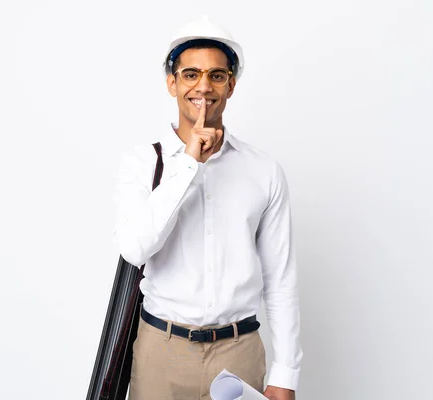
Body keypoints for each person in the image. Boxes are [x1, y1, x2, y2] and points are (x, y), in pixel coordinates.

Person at [112, 16, 303, 400]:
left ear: (231, 84)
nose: (203, 86)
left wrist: (287, 374)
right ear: (172, 83)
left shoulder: (263, 170)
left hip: (240, 351)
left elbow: (280, 280)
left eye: (217, 75)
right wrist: (188, 164)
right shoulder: (141, 164)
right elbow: (135, 249)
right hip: (161, 351)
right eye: (191, 74)